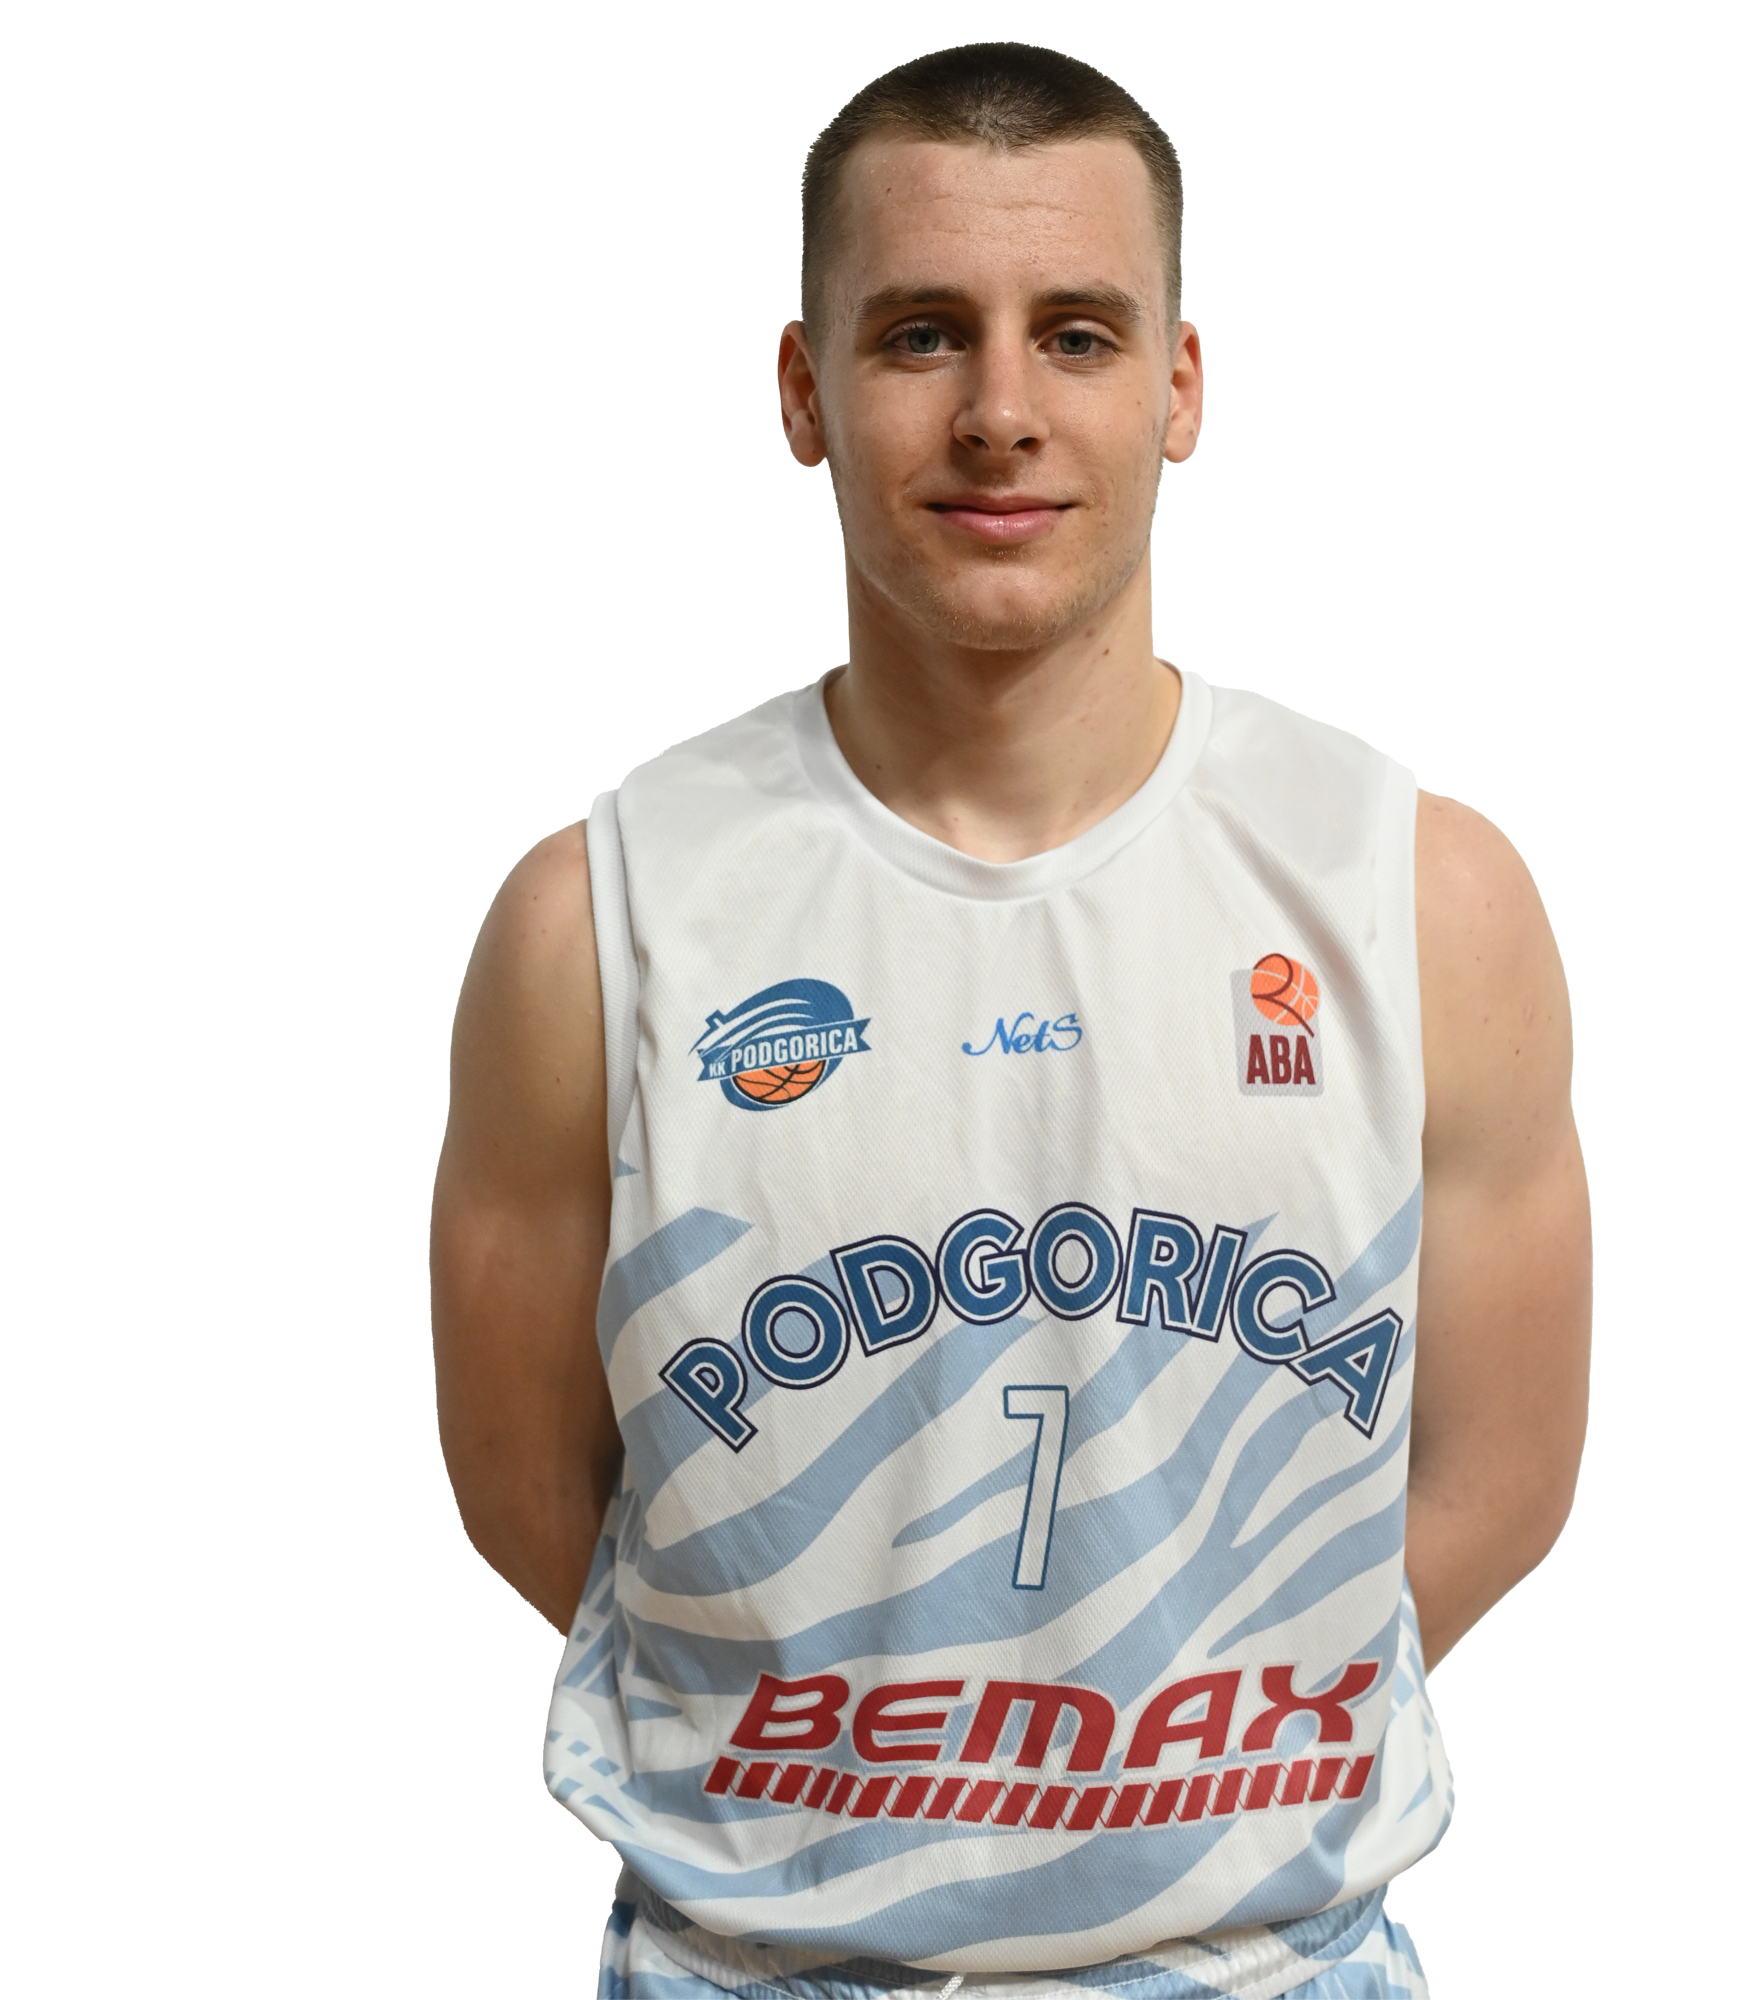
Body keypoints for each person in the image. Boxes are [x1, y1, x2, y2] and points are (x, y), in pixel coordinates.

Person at [432, 42, 1589, 2000]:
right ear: (803, 390)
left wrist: (1172, 1777)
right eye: (917, 335)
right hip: (751, 1966)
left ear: (1178, 386)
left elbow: (1502, 1470)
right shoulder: (598, 922)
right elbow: (528, 1490)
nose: (999, 413)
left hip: (1267, 1962)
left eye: (1075, 334)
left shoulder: (1418, 896)